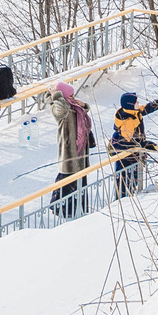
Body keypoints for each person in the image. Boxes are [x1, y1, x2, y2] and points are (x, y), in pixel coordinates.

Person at [109, 89, 158, 199]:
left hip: (134, 157)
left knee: (131, 184)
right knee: (125, 186)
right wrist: (143, 144)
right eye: (136, 102)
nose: (138, 103)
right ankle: (122, 202)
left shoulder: (135, 112)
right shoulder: (128, 122)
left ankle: (127, 198)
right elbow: (127, 143)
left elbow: (151, 106)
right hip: (126, 160)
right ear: (130, 105)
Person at [45, 82, 94, 217]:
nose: (73, 97)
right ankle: (60, 208)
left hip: (80, 148)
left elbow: (83, 113)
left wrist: (83, 105)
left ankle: (80, 209)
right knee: (67, 176)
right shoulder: (57, 106)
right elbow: (62, 111)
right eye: (70, 95)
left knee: (80, 179)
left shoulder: (73, 105)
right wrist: (56, 95)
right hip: (69, 149)